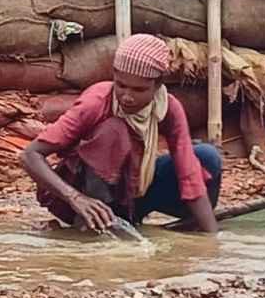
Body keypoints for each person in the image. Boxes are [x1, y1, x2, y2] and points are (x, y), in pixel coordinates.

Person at [20, 33, 220, 234]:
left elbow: (189, 174)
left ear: (157, 85)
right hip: (85, 198)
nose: (127, 97)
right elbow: (30, 155)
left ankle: (183, 225)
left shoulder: (168, 108)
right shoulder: (97, 102)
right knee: (114, 131)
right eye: (121, 85)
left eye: (138, 90)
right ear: (114, 75)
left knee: (207, 157)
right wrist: (75, 198)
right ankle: (92, 224)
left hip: (134, 193)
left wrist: (211, 240)